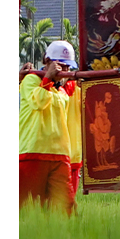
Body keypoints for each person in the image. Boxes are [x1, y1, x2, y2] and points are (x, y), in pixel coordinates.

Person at [19, 40, 82, 215]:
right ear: (47, 61)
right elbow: (39, 101)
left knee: (65, 208)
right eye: (60, 66)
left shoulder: (64, 89)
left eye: (67, 68)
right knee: (28, 209)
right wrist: (47, 78)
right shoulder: (30, 80)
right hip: (32, 152)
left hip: (60, 155)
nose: (64, 72)